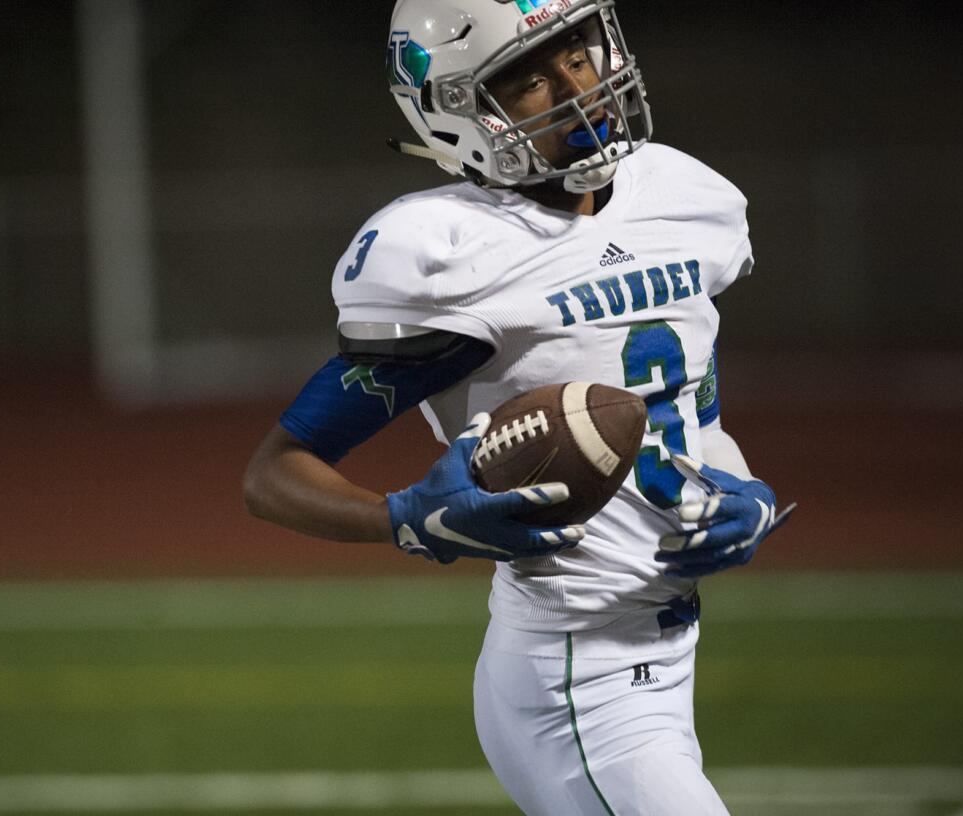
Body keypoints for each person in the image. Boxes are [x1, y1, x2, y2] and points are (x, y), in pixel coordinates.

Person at [243, 1, 794, 813]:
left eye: (579, 52)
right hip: (575, 675)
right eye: (531, 78)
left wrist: (741, 490)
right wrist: (404, 518)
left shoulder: (681, 195)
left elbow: (694, 411)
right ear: (458, 109)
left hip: (668, 647)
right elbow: (273, 474)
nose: (579, 85)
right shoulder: (451, 253)